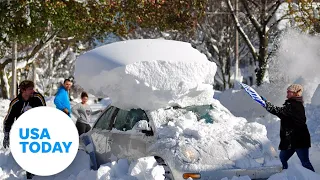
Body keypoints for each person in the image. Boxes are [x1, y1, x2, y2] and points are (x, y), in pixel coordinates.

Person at [261, 84, 315, 172]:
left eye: (289, 91)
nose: (287, 92)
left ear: (295, 93)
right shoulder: (291, 104)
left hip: (300, 140)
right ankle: (284, 176)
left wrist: (266, 104)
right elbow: (282, 114)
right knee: (282, 159)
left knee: (305, 162)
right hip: (291, 140)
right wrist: (266, 104)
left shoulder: (295, 105)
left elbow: (278, 111)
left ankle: (313, 178)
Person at [2, 80, 46, 179]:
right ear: (23, 90)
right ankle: (30, 172)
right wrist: (6, 134)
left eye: (33, 88)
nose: (33, 91)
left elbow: (45, 112)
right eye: (30, 89)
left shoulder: (38, 98)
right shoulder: (16, 103)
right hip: (24, 130)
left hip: (38, 129)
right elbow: (8, 120)